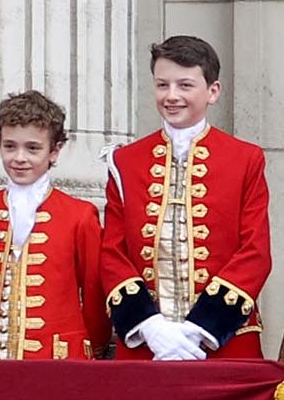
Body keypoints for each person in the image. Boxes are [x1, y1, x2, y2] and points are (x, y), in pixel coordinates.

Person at [100, 36, 273, 360]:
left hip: (225, 342)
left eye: (185, 85)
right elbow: (112, 253)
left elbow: (255, 252)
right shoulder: (125, 162)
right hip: (146, 345)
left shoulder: (245, 159)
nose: (172, 96)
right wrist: (150, 327)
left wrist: (201, 329)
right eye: (162, 85)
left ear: (212, 91)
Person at [0, 90, 108, 360]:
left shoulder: (80, 215)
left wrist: (95, 348)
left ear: (54, 151)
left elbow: (93, 295)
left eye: (33, 148)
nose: (19, 158)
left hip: (57, 361)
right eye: (9, 146)